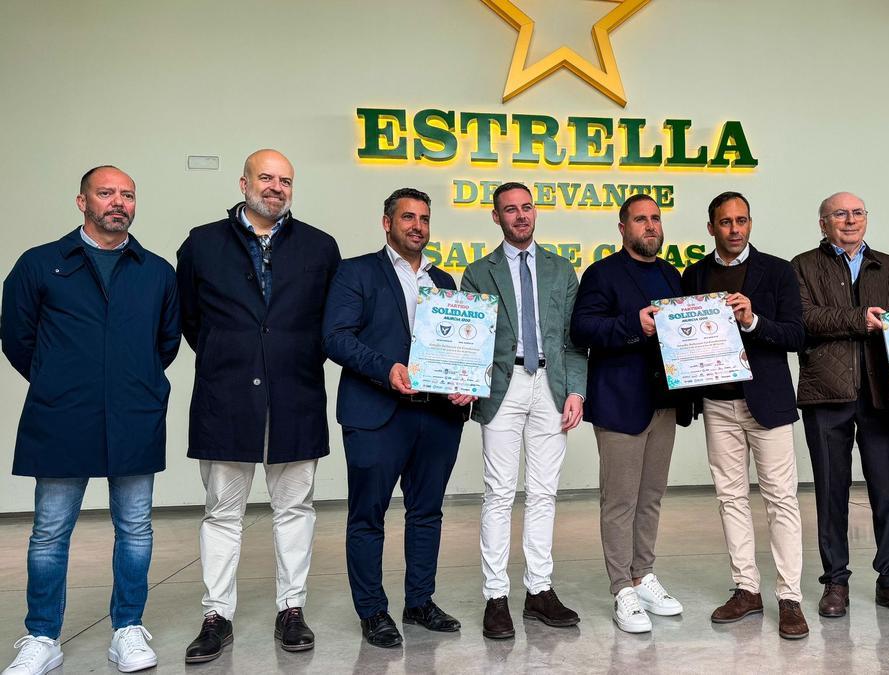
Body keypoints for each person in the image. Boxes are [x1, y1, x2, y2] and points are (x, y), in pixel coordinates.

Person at [1, 166, 180, 674]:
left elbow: (165, 343)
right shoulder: (41, 265)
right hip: (61, 415)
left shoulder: (156, 271)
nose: (118, 202)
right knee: (50, 532)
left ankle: (127, 628)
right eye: (106, 193)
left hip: (134, 414)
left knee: (136, 528)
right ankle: (41, 637)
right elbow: (17, 338)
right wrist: (61, 378)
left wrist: (132, 379)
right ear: (82, 201)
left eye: (127, 194)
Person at [177, 149, 341, 662]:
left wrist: (282, 355)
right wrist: (237, 353)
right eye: (266, 178)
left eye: (285, 180)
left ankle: (291, 610)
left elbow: (328, 325)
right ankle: (216, 615)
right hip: (225, 397)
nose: (276, 187)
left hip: (296, 395)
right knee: (221, 513)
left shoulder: (320, 246)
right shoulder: (202, 243)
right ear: (243, 182)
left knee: (296, 509)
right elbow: (189, 319)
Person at [322, 188, 472, 648]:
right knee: (368, 517)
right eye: (408, 217)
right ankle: (372, 612)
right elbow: (335, 338)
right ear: (386, 223)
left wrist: (466, 380)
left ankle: (419, 601)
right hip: (377, 414)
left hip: (438, 416)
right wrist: (386, 369)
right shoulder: (356, 272)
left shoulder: (444, 281)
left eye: (424, 219)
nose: (418, 226)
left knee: (427, 513)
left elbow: (462, 345)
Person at [460, 182, 588, 639]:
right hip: (503, 386)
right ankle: (496, 596)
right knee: (498, 493)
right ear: (496, 217)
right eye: (510, 210)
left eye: (527, 207)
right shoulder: (478, 272)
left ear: (535, 212)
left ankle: (539, 591)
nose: (521, 216)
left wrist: (576, 391)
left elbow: (574, 341)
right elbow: (468, 339)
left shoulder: (561, 269)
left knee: (544, 493)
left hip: (550, 387)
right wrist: (464, 382)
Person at [681, 191, 809, 639]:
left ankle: (790, 597)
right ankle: (746, 589)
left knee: (781, 499)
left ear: (750, 223)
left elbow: (795, 334)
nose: (735, 229)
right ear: (711, 226)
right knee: (730, 496)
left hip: (768, 401)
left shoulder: (778, 270)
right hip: (717, 402)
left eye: (742, 220)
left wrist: (753, 321)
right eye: (725, 222)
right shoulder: (693, 274)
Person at [791, 192, 889, 620]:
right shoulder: (803, 266)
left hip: (883, 392)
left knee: (887, 491)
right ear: (823, 223)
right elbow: (803, 318)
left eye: (858, 212)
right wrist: (858, 319)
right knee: (831, 491)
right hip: (826, 392)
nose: (850, 220)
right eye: (839, 214)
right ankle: (835, 581)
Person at [570, 194, 690, 633]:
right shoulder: (602, 274)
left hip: (663, 403)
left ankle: (643, 575)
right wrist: (631, 326)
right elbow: (581, 328)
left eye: (656, 218)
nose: (651, 226)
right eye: (641, 219)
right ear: (622, 228)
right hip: (620, 403)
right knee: (620, 500)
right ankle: (621, 586)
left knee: (651, 497)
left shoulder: (670, 274)